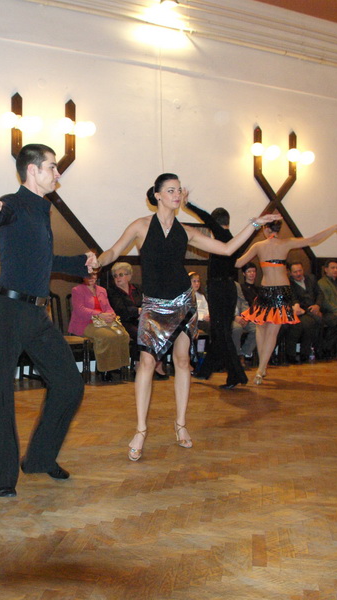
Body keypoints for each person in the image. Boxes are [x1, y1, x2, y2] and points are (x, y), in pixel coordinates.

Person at [96, 173, 279, 461]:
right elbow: (113, 251)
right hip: (154, 305)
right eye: (171, 190)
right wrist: (97, 260)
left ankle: (180, 424)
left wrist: (255, 223)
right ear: (157, 195)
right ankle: (141, 430)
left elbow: (228, 248)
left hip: (183, 302)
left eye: (179, 190)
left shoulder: (186, 231)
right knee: (146, 363)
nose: (177, 194)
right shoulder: (141, 226)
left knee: (182, 361)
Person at [0, 143, 97, 498]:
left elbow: (42, 258)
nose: (57, 174)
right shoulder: (13, 203)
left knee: (69, 384)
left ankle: (40, 458)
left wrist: (80, 263)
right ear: (32, 170)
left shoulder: (42, 209)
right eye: (52, 167)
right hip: (8, 311)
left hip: (35, 314)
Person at [235, 221, 337, 384]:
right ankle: (261, 369)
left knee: (262, 328)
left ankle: (262, 367)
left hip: (266, 290)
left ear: (265, 229)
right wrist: (333, 228)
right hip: (280, 291)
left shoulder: (258, 246)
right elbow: (312, 240)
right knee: (271, 332)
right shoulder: (286, 243)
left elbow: (238, 263)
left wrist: (226, 248)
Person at [183, 205, 247, 388]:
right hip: (228, 288)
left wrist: (188, 204)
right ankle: (205, 370)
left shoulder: (222, 236)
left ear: (216, 224)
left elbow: (206, 217)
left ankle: (236, 375)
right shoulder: (232, 239)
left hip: (219, 289)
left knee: (222, 333)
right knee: (220, 332)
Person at [68, 271, 131, 381]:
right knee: (106, 336)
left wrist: (111, 315)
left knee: (123, 334)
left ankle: (119, 366)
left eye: (93, 275)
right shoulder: (77, 290)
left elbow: (108, 307)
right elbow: (80, 310)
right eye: (88, 275)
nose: (91, 277)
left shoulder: (102, 290)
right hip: (85, 323)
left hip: (103, 322)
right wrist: (100, 314)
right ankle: (105, 369)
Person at [284, 261, 324, 363]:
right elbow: (293, 299)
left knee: (314, 322)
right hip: (300, 311)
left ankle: (309, 352)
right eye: (295, 272)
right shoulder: (288, 283)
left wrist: (317, 306)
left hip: (313, 309)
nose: (298, 274)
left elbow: (320, 294)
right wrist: (306, 310)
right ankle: (299, 354)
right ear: (290, 273)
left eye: (300, 271)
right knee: (308, 323)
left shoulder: (311, 279)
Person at [107, 261, 143, 362]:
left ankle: (155, 363)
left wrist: (142, 313)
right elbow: (120, 309)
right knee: (140, 334)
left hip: (140, 319)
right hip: (123, 321)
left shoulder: (138, 288)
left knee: (155, 332)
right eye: (115, 276)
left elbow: (145, 303)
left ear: (129, 276)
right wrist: (138, 311)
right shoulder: (112, 292)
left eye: (121, 275)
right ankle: (138, 363)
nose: (117, 278)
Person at [232, 275, 257, 367]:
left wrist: (245, 317)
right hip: (227, 318)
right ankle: (236, 356)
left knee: (257, 328)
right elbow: (218, 308)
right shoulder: (217, 286)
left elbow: (243, 302)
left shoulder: (236, 285)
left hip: (241, 316)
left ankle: (244, 353)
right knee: (237, 328)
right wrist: (234, 317)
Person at [188, 272, 210, 336]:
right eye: (194, 281)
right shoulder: (187, 297)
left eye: (198, 281)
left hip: (205, 318)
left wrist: (208, 315)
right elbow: (190, 312)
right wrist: (202, 317)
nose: (197, 283)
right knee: (209, 326)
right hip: (195, 320)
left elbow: (206, 307)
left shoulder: (201, 295)